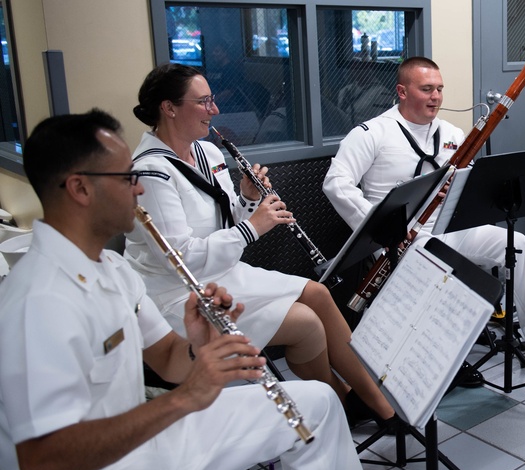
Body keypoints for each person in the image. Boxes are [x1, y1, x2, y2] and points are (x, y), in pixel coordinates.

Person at [0, 109, 377, 470]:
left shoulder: (110, 267)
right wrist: (183, 401)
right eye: (126, 178)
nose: (138, 187)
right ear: (80, 188)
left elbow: (169, 360)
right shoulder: (39, 300)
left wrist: (200, 344)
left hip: (145, 438)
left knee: (318, 405)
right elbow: (44, 465)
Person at [124, 63, 395, 428]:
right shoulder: (151, 172)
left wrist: (249, 200)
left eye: (213, 100)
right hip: (179, 296)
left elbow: (225, 220)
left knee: (317, 293)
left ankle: (372, 399)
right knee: (306, 324)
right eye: (203, 102)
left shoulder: (209, 154)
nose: (214, 110)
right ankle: (345, 401)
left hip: (222, 274)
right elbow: (182, 260)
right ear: (169, 108)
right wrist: (254, 226)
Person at [323, 56, 525, 370]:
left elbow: (465, 184)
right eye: (426, 89)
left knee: (516, 243)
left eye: (439, 89)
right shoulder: (372, 133)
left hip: (448, 228)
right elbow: (336, 184)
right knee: (434, 261)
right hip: (402, 240)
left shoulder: (452, 133)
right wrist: (383, 226)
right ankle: (444, 360)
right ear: (401, 91)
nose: (436, 96)